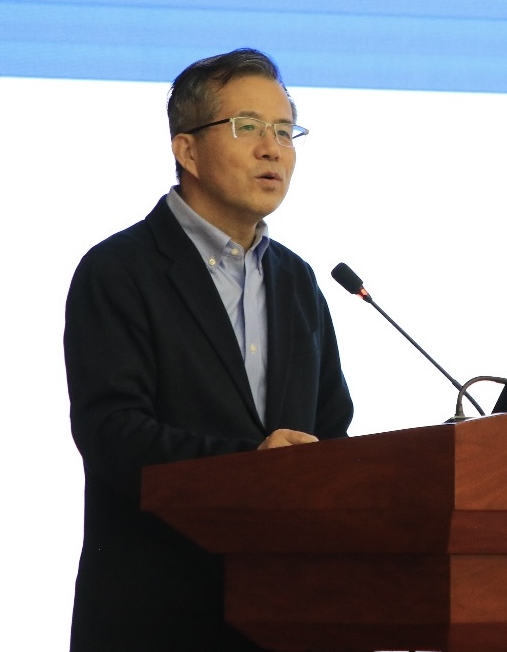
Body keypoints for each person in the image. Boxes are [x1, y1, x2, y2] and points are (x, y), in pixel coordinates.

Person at [64, 49, 354, 651]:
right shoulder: (119, 270)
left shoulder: (298, 282)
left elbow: (330, 433)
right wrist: (252, 466)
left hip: (283, 618)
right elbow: (113, 435)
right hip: (157, 618)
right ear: (187, 150)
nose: (272, 149)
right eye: (248, 127)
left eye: (285, 131)